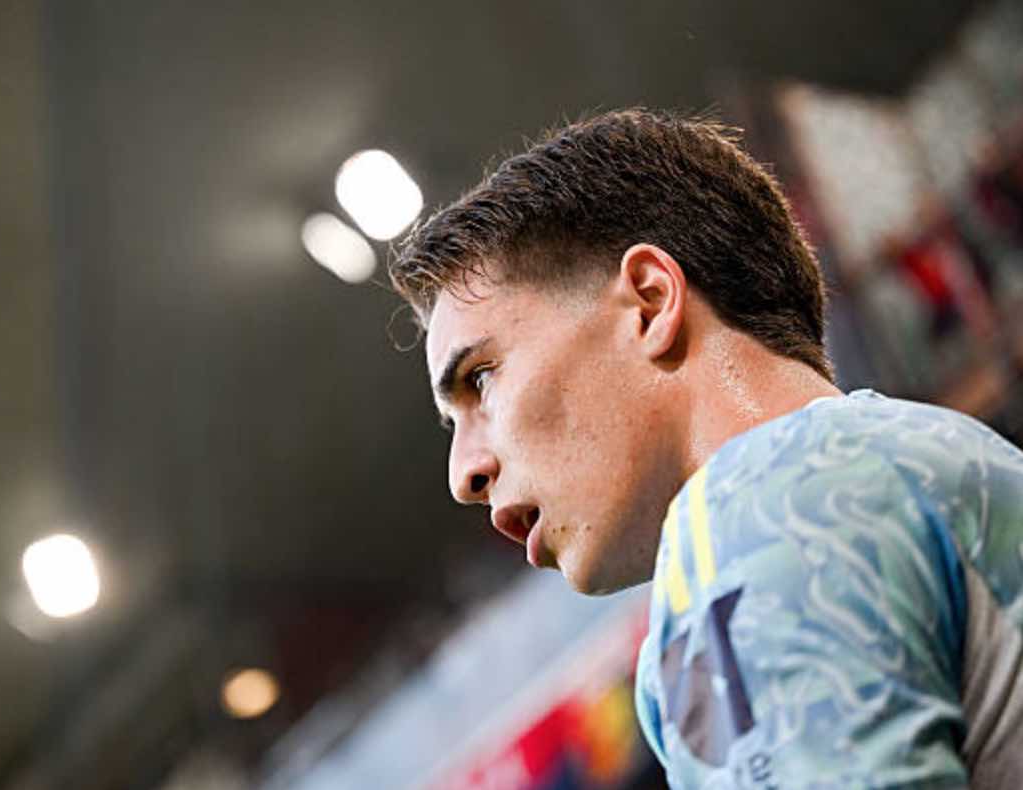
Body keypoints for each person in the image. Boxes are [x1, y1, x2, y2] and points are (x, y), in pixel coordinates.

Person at [388, 109, 1023, 788]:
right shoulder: (916, 458)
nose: (463, 473)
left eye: (481, 378)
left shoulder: (762, 511)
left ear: (649, 302)